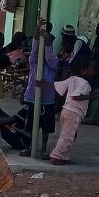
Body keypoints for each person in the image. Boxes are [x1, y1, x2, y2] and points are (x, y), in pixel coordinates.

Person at [43, 60, 99, 165]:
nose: (95, 72)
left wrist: (43, 84)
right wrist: (91, 97)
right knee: (67, 136)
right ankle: (56, 156)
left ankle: (64, 156)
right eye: (93, 69)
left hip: (66, 110)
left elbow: (57, 85)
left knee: (68, 135)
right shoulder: (85, 83)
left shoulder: (73, 79)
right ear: (84, 70)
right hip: (74, 112)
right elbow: (76, 96)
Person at [21, 22, 59, 158]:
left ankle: (43, 149)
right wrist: (37, 32)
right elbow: (34, 49)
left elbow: (49, 58)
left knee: (46, 126)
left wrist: (47, 44)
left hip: (47, 100)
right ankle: (30, 147)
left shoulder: (53, 63)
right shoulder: (34, 62)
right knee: (32, 125)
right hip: (33, 98)